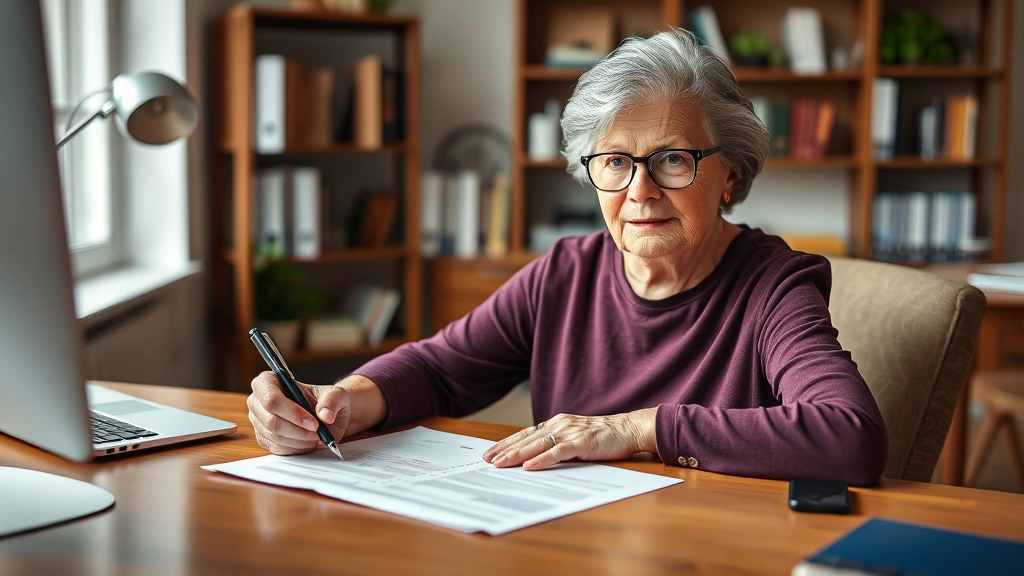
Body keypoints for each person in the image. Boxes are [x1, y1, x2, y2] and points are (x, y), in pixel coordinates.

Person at [247, 29, 888, 486]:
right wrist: (344, 402)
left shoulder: (774, 285)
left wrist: (637, 430)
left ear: (730, 174)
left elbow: (849, 437)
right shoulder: (566, 271)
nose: (639, 191)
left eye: (672, 158)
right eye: (615, 161)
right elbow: (442, 368)